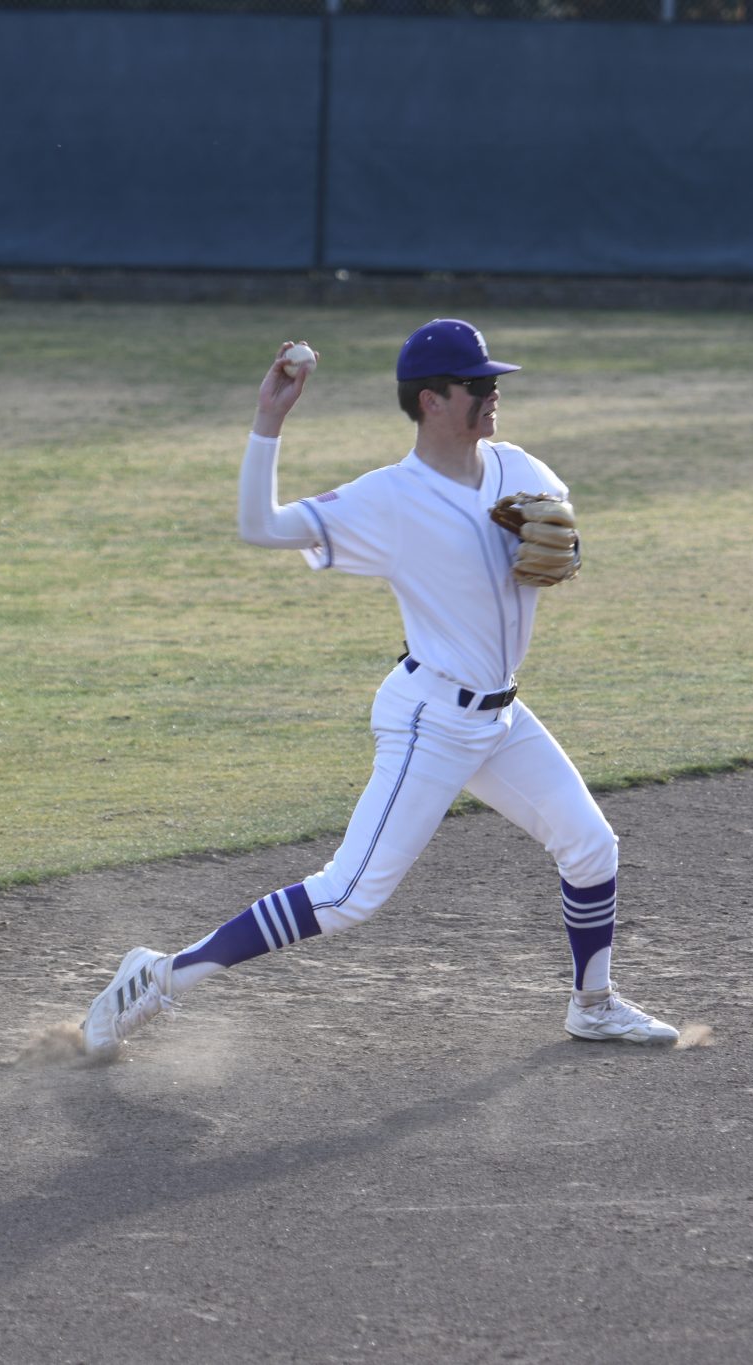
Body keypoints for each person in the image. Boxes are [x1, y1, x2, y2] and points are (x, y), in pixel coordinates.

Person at [83, 319, 677, 1057]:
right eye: (477, 385)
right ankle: (157, 979)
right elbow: (258, 526)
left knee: (590, 845)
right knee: (347, 894)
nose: (493, 395)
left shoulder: (520, 465)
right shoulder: (388, 500)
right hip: (431, 718)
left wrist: (570, 546)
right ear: (431, 400)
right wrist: (269, 420)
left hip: (500, 715)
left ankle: (594, 1003)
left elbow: (562, 539)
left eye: (494, 382)